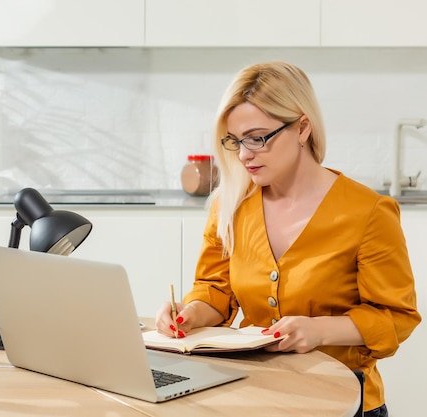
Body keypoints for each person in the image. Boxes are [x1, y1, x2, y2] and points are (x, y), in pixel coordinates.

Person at [156, 61, 421, 417]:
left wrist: (318, 331)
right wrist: (189, 314)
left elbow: (396, 317)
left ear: (302, 128)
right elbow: (214, 290)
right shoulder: (230, 204)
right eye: (235, 141)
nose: (244, 154)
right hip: (255, 396)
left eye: (258, 137)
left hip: (345, 401)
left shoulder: (369, 211)